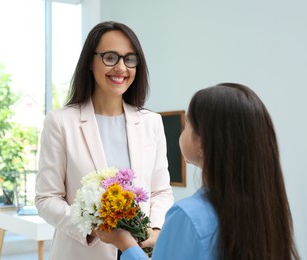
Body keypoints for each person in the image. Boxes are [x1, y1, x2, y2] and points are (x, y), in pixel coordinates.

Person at [97, 83, 300, 260]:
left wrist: (125, 244)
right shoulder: (266, 209)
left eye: (187, 125)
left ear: (202, 143)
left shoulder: (187, 217)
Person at [35, 21, 174, 260]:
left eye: (130, 59)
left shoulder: (151, 122)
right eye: (110, 57)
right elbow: (46, 198)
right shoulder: (60, 122)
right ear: (90, 61)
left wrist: (156, 229)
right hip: (81, 253)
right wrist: (92, 227)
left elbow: (161, 190)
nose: (121, 67)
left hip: (141, 252)